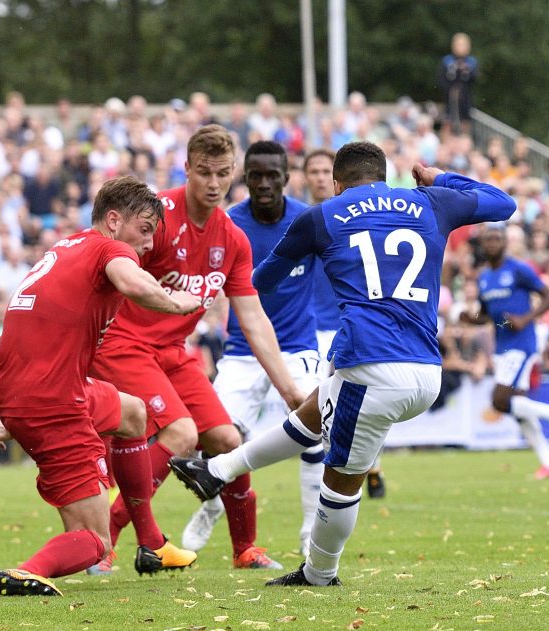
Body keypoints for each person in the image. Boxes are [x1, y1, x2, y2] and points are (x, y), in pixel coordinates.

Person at [169, 141, 517, 588]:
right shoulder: (432, 201)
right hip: (426, 369)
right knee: (313, 412)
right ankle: (217, 470)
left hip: (373, 368)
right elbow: (504, 204)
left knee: (340, 483)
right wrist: (438, 177)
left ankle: (319, 573)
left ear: (336, 183)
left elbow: (260, 282)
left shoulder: (321, 216)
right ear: (385, 175)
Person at [89, 125, 305, 573]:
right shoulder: (156, 218)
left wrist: (289, 389)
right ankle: (101, 542)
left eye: (223, 173)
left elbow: (253, 318)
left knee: (227, 440)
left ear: (234, 176)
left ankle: (245, 550)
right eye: (203, 172)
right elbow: (106, 265)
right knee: (182, 434)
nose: (213, 183)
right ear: (186, 168)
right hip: (123, 344)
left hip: (171, 351)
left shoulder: (232, 238)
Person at [0, 176, 201, 597]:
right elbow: (131, 281)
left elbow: (35, 328)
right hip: (54, 405)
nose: (147, 245)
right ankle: (25, 571)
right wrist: (175, 303)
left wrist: (11, 414)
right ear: (114, 219)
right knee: (94, 540)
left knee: (134, 412)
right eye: (143, 231)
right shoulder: (110, 249)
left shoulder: (69, 247)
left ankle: (152, 543)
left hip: (43, 390)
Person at [180, 141, 323, 556]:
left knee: (313, 433)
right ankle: (211, 507)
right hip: (242, 348)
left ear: (286, 178)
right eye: (255, 175)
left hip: (297, 347)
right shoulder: (228, 224)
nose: (263, 183)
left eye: (271, 175)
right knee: (220, 438)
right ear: (245, 177)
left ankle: (310, 532)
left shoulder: (308, 221)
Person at [303, 148, 388, 499]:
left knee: (362, 399)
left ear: (336, 178)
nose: (321, 177)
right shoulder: (305, 219)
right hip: (312, 328)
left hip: (353, 325)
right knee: (321, 405)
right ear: (305, 177)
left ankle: (367, 465)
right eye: (314, 171)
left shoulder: (364, 217)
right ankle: (347, 472)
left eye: (326, 171)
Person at [460, 224, 549, 479]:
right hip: (501, 346)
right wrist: (471, 318)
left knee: (499, 400)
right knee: (517, 409)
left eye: (497, 239)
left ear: (504, 243)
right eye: (488, 239)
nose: (492, 243)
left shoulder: (519, 269)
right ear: (482, 245)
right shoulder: (484, 277)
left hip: (521, 344)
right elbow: (490, 315)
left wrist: (526, 318)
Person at [437, 33, 478, 135]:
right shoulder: (447, 60)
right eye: (458, 44)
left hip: (465, 98)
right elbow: (441, 79)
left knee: (465, 124)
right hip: (449, 98)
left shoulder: (472, 62)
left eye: (463, 44)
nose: (461, 47)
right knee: (447, 123)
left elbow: (474, 79)